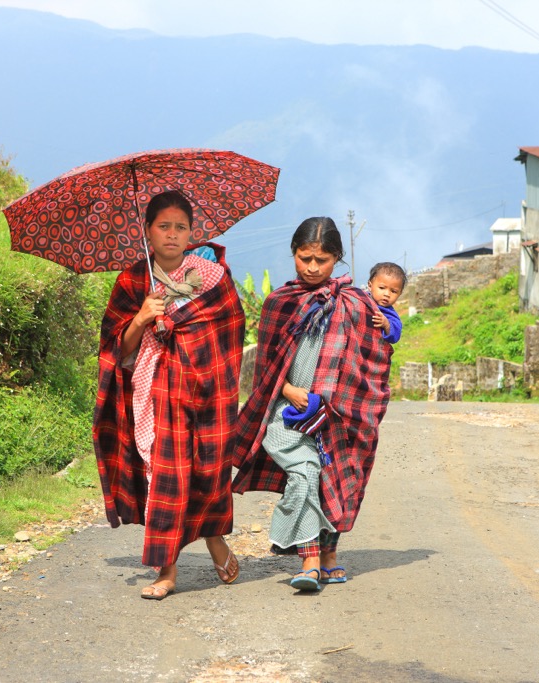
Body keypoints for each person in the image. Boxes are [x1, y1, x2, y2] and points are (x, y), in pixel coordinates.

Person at [93, 189, 246, 600]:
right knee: (166, 472)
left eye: (181, 227)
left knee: (208, 470)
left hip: (207, 389)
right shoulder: (132, 281)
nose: (172, 234)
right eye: (164, 226)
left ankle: (214, 537)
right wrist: (142, 318)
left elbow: (231, 328)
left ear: (191, 232)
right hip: (156, 389)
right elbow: (116, 349)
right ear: (147, 231)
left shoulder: (211, 277)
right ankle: (167, 569)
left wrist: (183, 328)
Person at [232, 217, 392, 591]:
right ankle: (310, 561)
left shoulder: (357, 304)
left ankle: (329, 554)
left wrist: (346, 399)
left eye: (322, 259)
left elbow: (374, 358)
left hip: (340, 415)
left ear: (337, 258)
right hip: (287, 412)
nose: (313, 267)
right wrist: (288, 389)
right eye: (305, 258)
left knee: (335, 479)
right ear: (294, 254)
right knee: (304, 472)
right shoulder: (280, 303)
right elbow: (266, 368)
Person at [367, 261, 406, 345]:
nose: (387, 294)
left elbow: (395, 336)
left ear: (400, 294)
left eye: (393, 291)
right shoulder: (361, 299)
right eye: (382, 288)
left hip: (373, 347)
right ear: (370, 286)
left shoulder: (390, 313)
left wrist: (386, 324)